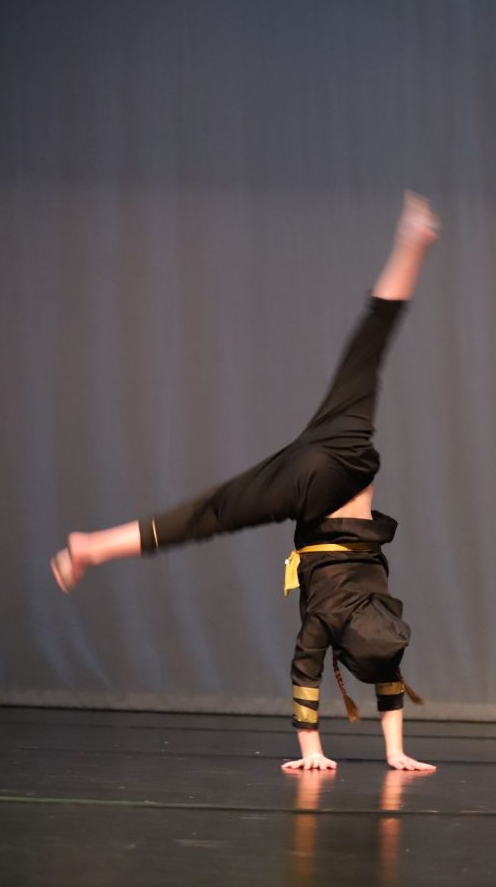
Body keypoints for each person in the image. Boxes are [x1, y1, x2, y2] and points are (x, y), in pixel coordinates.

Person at [51, 192, 438, 773]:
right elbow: (316, 678)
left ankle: (412, 239)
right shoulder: (338, 625)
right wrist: (351, 753)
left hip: (342, 453)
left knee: (371, 341)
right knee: (208, 514)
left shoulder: (381, 615)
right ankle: (93, 547)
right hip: (314, 484)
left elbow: (375, 679)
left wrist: (386, 751)